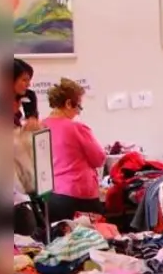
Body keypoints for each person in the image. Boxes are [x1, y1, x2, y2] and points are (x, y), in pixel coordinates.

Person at [40, 78, 107, 224]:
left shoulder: (40, 127)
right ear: (68, 103)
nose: (77, 112)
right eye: (79, 107)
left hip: (52, 195)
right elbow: (99, 159)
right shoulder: (76, 128)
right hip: (79, 194)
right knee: (90, 237)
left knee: (58, 235)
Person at [12, 58, 39, 128]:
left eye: (29, 80)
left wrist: (33, 120)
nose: (28, 84)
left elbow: (33, 121)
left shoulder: (29, 95)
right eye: (24, 80)